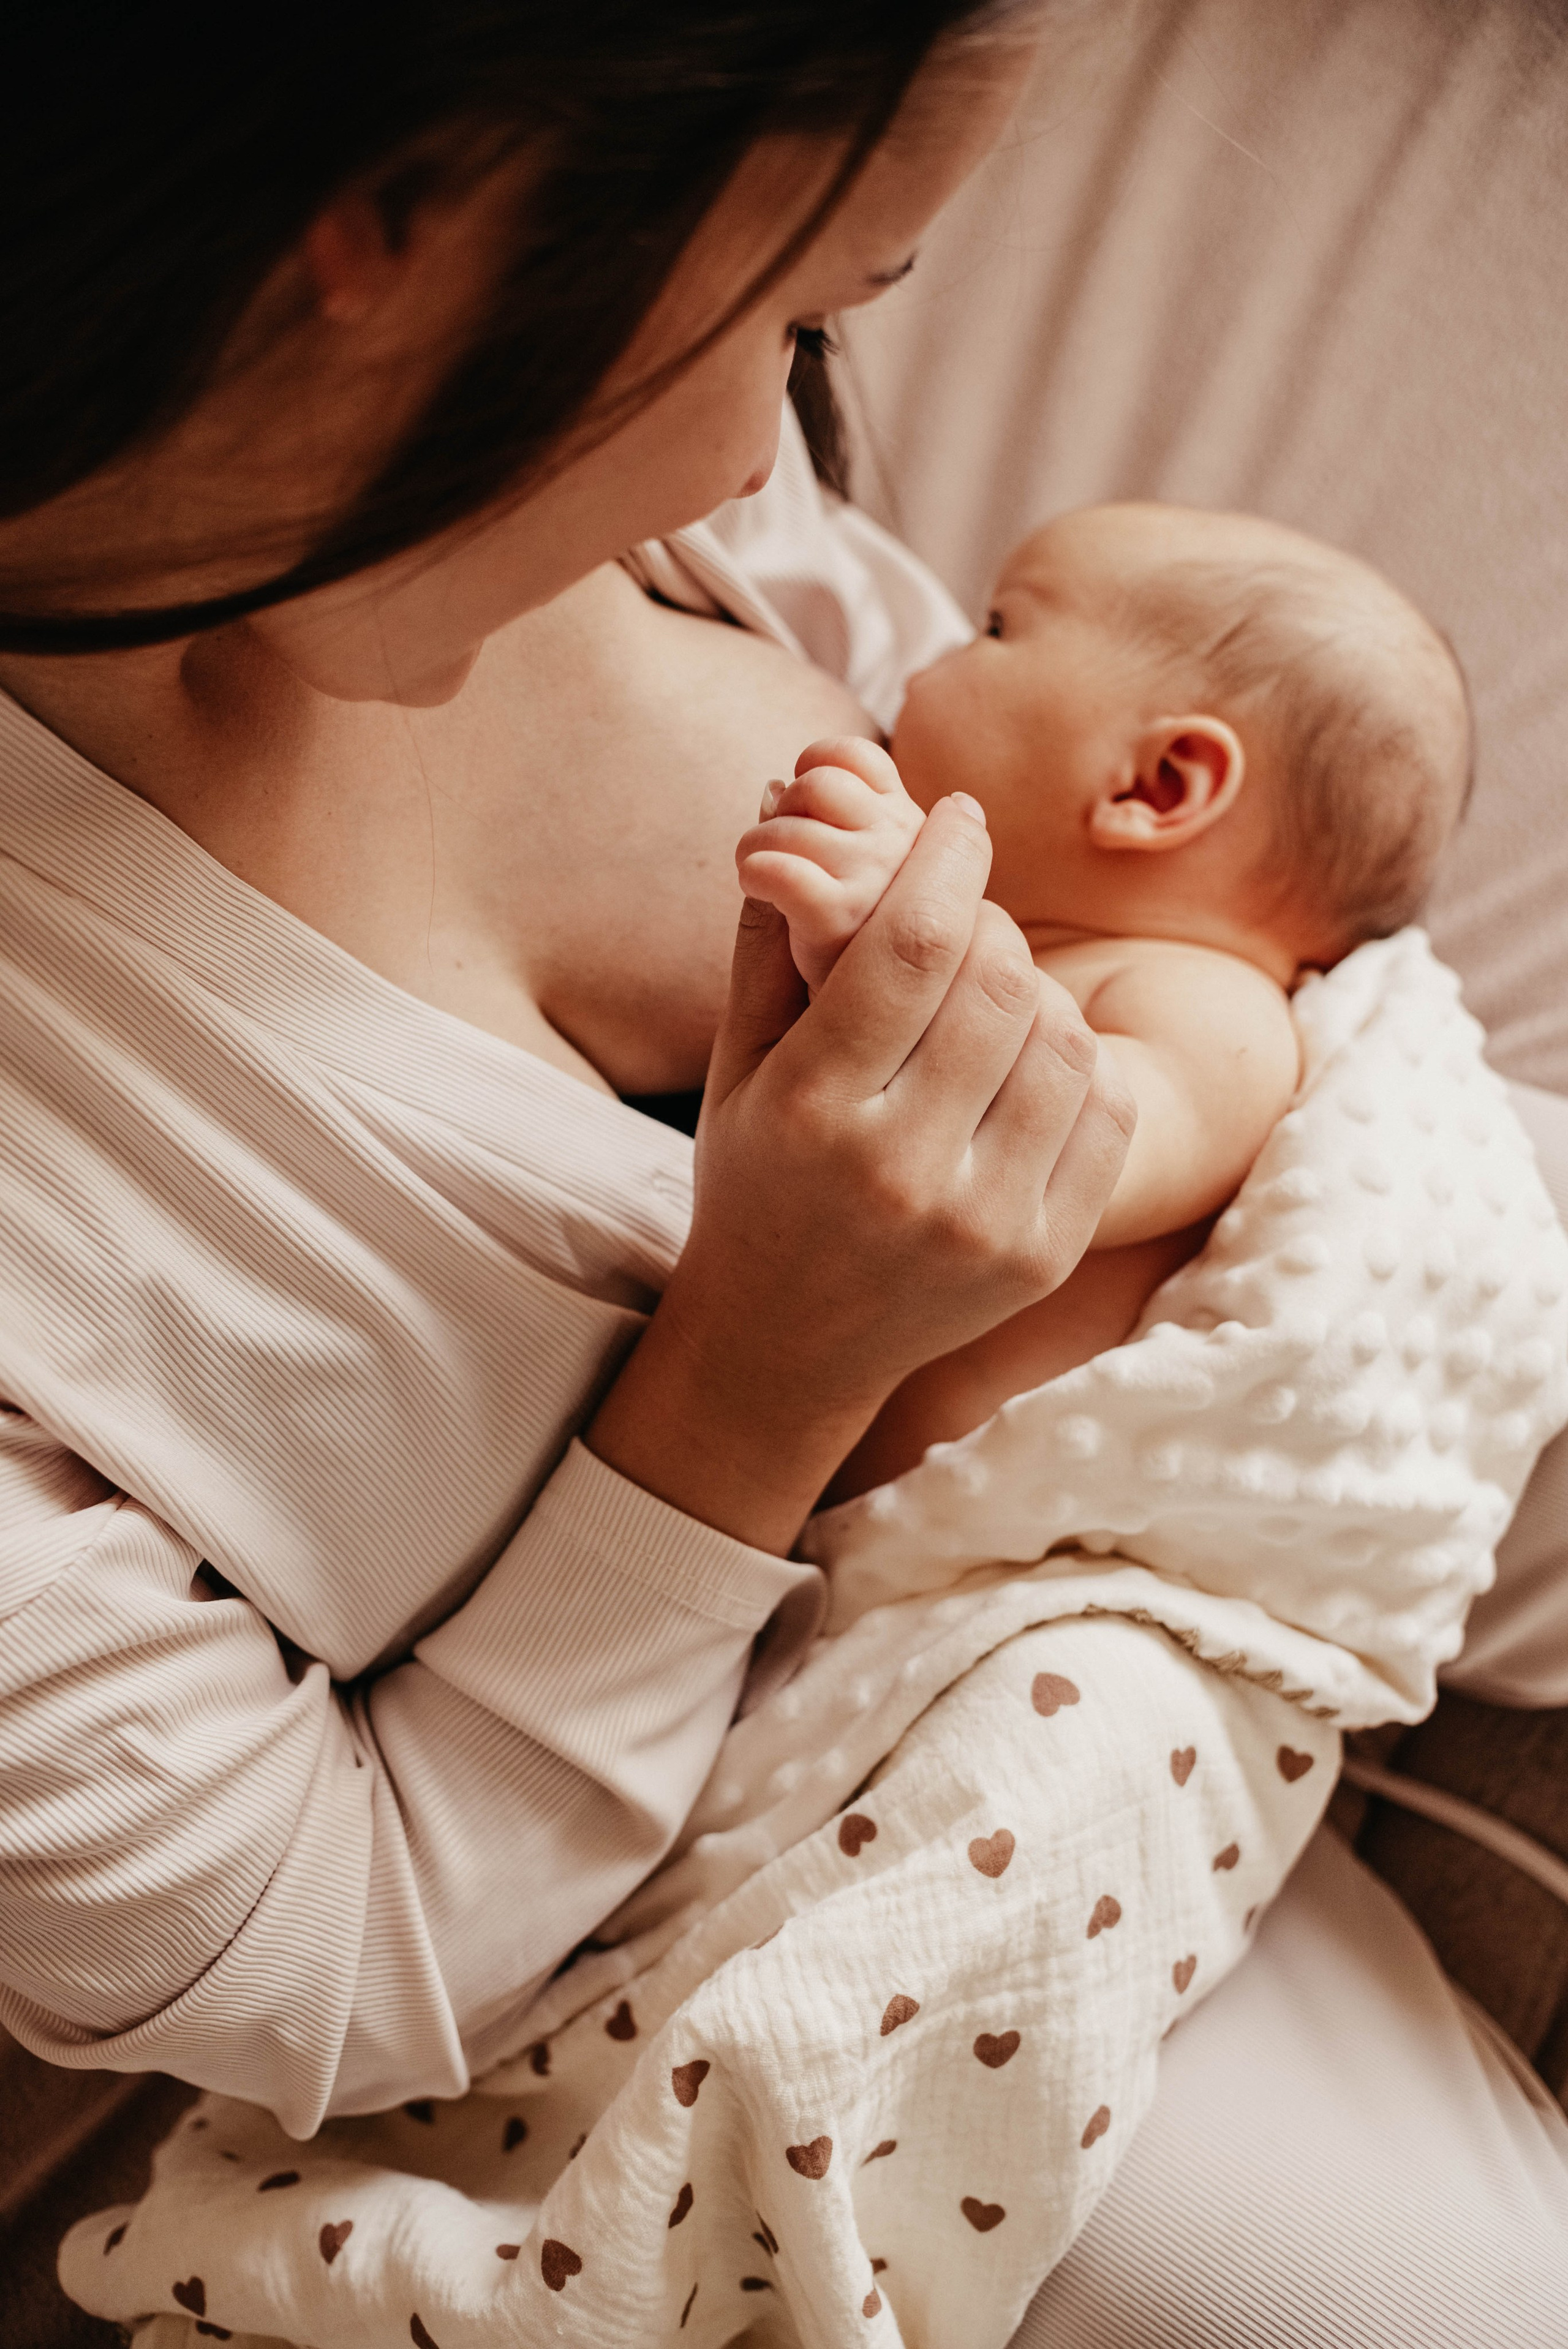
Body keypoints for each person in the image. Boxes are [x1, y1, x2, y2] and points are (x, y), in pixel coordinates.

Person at [0, 1, 1133, 2135]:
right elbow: (323, 1960)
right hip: (705, 1943)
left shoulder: (545, 414)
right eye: (791, 308)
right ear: (395, 230)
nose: (756, 449)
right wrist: (764, 1366)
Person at [726, 501, 1472, 1494]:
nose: (932, 651)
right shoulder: (1078, 956)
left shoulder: (1221, 1018)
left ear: (1156, 785)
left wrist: (889, 950)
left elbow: (1063, 1150)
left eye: (996, 628)